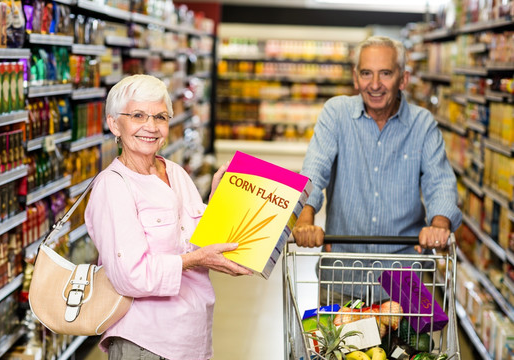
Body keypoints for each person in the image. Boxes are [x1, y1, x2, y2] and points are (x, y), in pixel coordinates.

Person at [84, 74, 252, 360]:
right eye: (138, 115)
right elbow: (130, 276)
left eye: (160, 117)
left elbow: (193, 240)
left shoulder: (175, 172)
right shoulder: (113, 186)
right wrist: (195, 261)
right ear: (114, 124)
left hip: (192, 337)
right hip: (146, 343)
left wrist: (219, 202)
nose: (151, 127)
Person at [292, 36, 462, 305]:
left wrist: (439, 224)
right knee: (335, 349)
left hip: (404, 282)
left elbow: (439, 182)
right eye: (366, 73)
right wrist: (304, 220)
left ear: (403, 79)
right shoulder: (336, 113)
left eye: (385, 73)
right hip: (343, 277)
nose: (374, 84)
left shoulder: (422, 124)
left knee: (413, 349)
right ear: (355, 78)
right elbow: (314, 169)